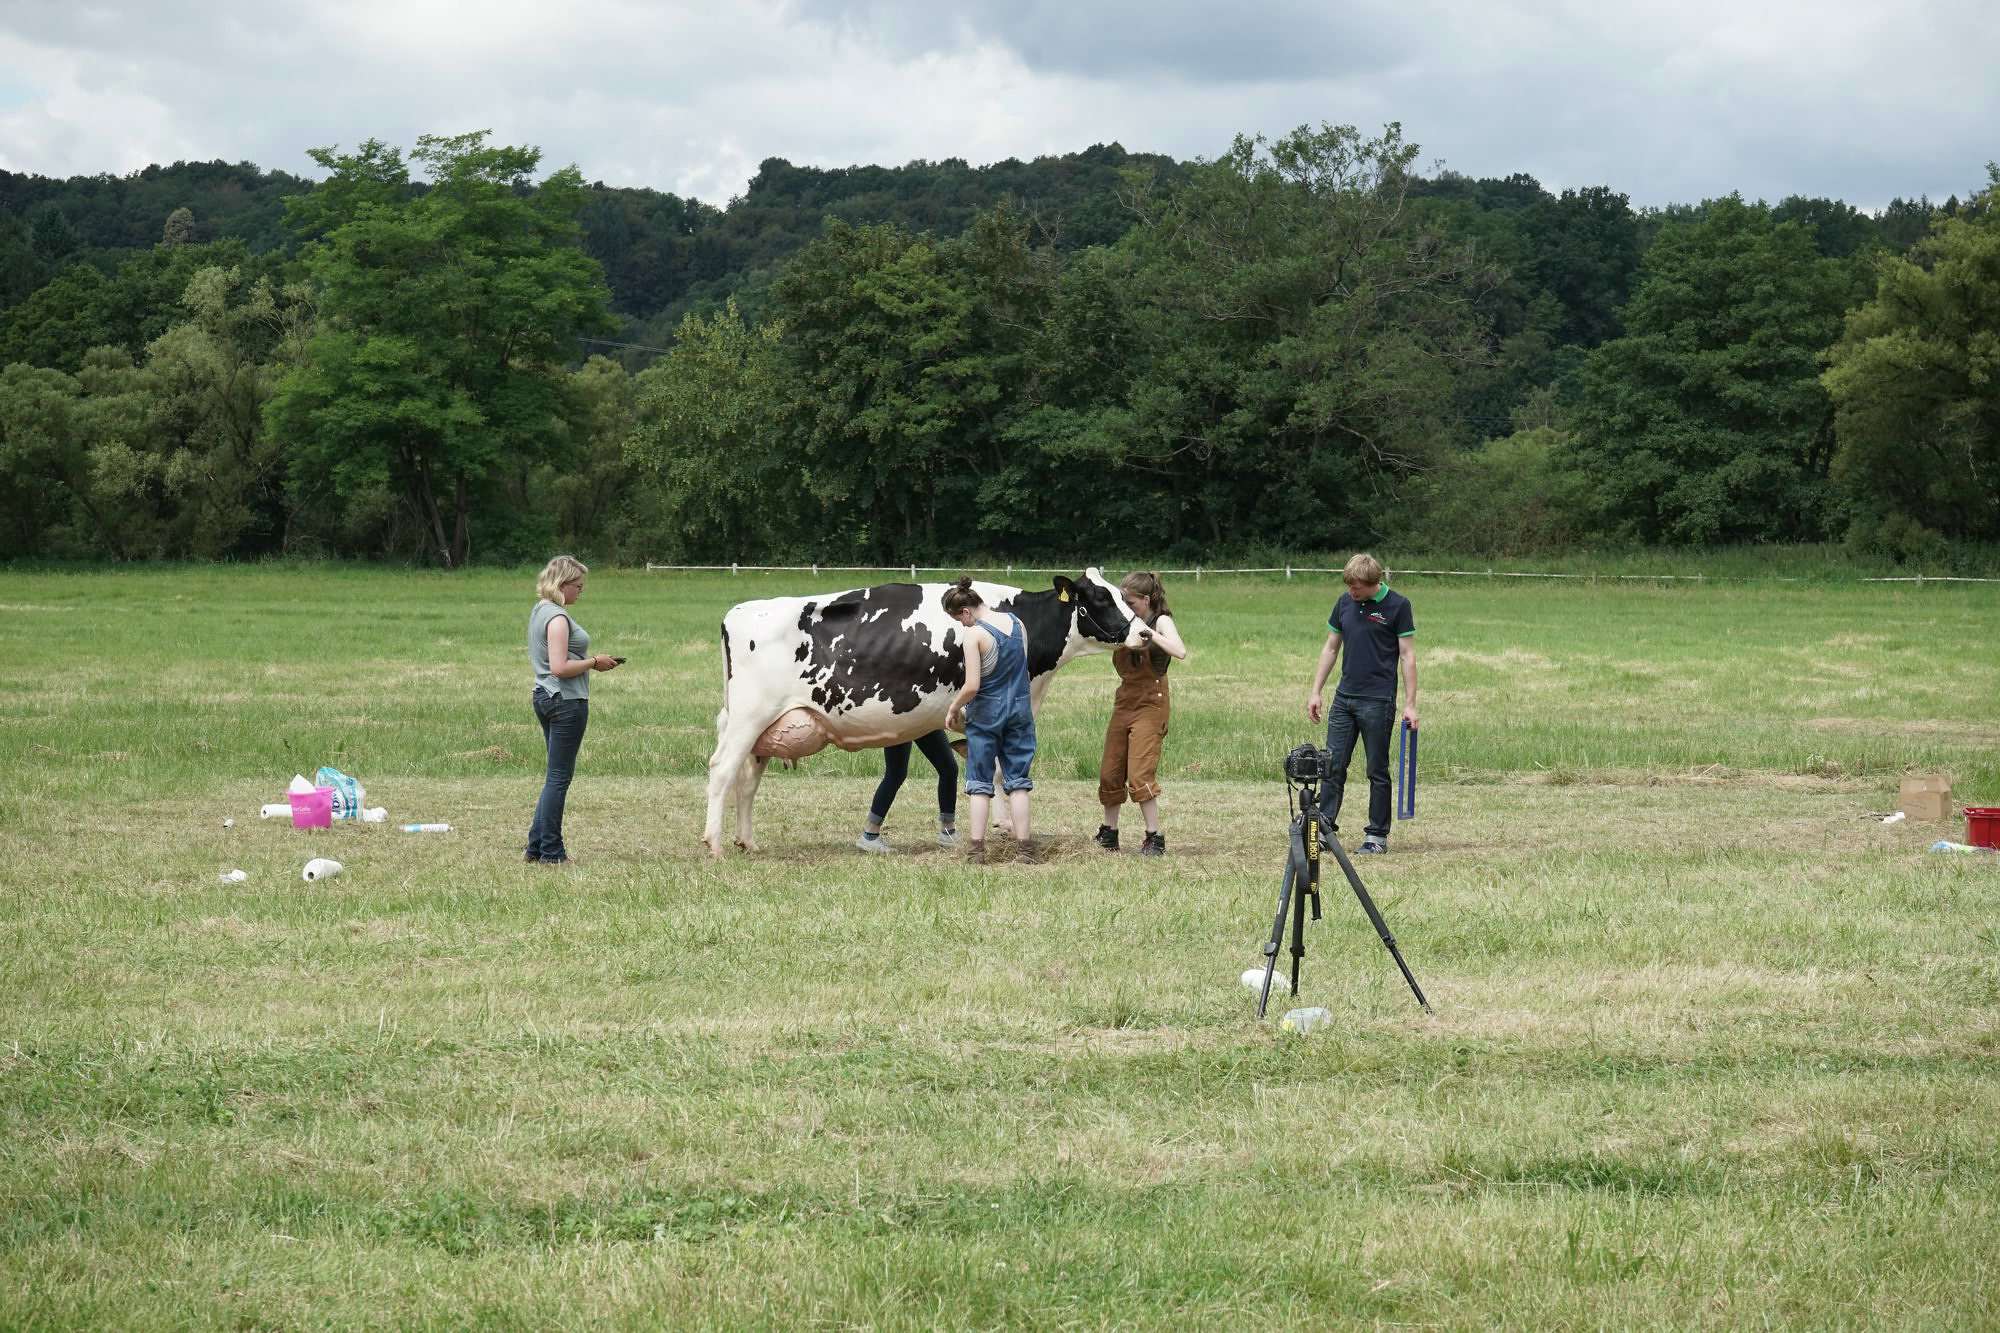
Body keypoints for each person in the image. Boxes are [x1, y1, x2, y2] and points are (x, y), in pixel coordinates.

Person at [1304, 553, 1417, 854]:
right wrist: (1316, 690)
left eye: (1357, 588)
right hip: (1344, 699)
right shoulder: (1344, 603)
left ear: (1374, 583)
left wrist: (1411, 704)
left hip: (1378, 700)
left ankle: (1376, 836)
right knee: (1332, 766)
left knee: (1376, 769)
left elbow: (1407, 656)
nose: (1352, 593)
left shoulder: (1398, 606)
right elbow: (1330, 648)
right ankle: (1325, 829)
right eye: (1349, 587)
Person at [525, 555, 619, 866]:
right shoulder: (557, 618)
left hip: (544, 696)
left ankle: (536, 846)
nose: (581, 591)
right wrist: (595, 662)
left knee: (554, 776)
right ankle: (552, 852)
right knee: (559, 778)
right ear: (562, 584)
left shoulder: (539, 610)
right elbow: (560, 667)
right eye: (578, 586)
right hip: (565, 701)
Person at [941, 577, 1037, 863]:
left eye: (959, 619)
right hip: (1020, 709)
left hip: (986, 714)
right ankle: (1025, 850)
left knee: (979, 782)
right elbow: (1023, 668)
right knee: (1018, 782)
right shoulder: (1017, 623)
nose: (962, 625)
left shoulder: (975, 635)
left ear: (966, 612)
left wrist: (953, 708)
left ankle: (976, 851)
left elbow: (971, 686)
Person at [1094, 571, 1189, 856]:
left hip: (1151, 702)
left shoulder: (1161, 620)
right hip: (1125, 700)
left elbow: (1180, 651)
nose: (1128, 608)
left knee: (1140, 773)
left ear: (1146, 600)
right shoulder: (1125, 621)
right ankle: (1109, 833)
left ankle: (1153, 837)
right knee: (1110, 770)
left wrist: (1152, 635)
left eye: (1131, 603)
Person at [856, 732, 959, 853]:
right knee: (896, 774)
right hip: (903, 717)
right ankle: (870, 835)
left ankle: (948, 832)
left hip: (920, 717)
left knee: (948, 768)